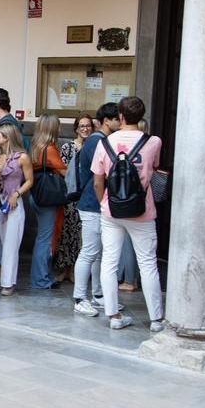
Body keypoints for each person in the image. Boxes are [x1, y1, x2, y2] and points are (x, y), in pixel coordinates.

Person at [90, 96, 164, 331]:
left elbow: (97, 180)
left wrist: (104, 202)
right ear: (141, 116)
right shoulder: (153, 142)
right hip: (142, 210)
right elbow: (154, 169)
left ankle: (113, 316)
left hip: (111, 210)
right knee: (148, 263)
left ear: (120, 116)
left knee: (109, 262)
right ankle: (156, 320)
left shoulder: (105, 143)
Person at [72, 104, 118, 317]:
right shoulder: (97, 141)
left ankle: (97, 294)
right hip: (92, 203)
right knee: (89, 251)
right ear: (107, 120)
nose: (120, 123)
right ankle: (79, 298)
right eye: (117, 119)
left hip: (95, 202)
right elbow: (102, 175)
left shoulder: (97, 140)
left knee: (97, 252)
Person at [0, 121, 32, 295]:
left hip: (13, 202)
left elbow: (30, 180)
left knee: (11, 244)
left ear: (7, 138)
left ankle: (8, 282)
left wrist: (17, 193)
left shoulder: (22, 157)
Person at [53, 115, 94, 282]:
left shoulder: (94, 146)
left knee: (81, 235)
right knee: (67, 232)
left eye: (88, 125)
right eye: (82, 126)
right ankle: (64, 269)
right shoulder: (67, 147)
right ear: (76, 128)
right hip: (71, 196)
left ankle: (76, 270)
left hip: (88, 195)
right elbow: (61, 169)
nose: (85, 129)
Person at [28, 114, 67, 290]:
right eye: (58, 126)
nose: (60, 128)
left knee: (41, 237)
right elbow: (65, 172)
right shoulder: (49, 149)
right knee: (44, 239)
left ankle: (41, 277)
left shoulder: (35, 146)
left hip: (36, 195)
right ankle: (41, 279)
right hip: (48, 198)